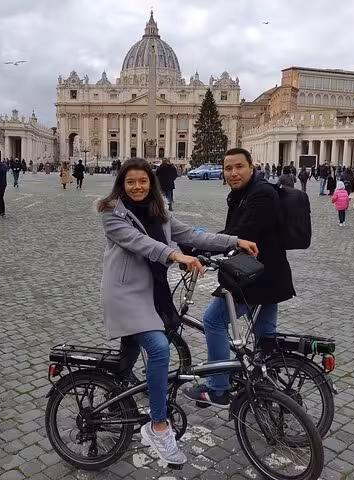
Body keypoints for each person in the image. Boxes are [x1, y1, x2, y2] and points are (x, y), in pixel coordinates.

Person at [96, 157, 257, 465]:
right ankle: (157, 427)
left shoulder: (161, 213)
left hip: (152, 292)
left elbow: (195, 236)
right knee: (158, 349)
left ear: (152, 183)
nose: (137, 187)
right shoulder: (111, 214)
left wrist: (234, 241)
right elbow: (141, 243)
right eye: (131, 182)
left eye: (143, 181)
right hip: (125, 294)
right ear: (121, 185)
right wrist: (176, 256)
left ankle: (114, 394)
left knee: (133, 352)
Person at [184, 147, 295, 408]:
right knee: (265, 340)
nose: (233, 173)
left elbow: (240, 233)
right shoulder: (244, 193)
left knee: (213, 320)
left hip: (254, 278)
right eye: (228, 168)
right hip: (270, 277)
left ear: (251, 167)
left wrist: (200, 246)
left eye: (238, 167)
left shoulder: (261, 195)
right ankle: (265, 390)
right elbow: (236, 234)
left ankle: (218, 388)